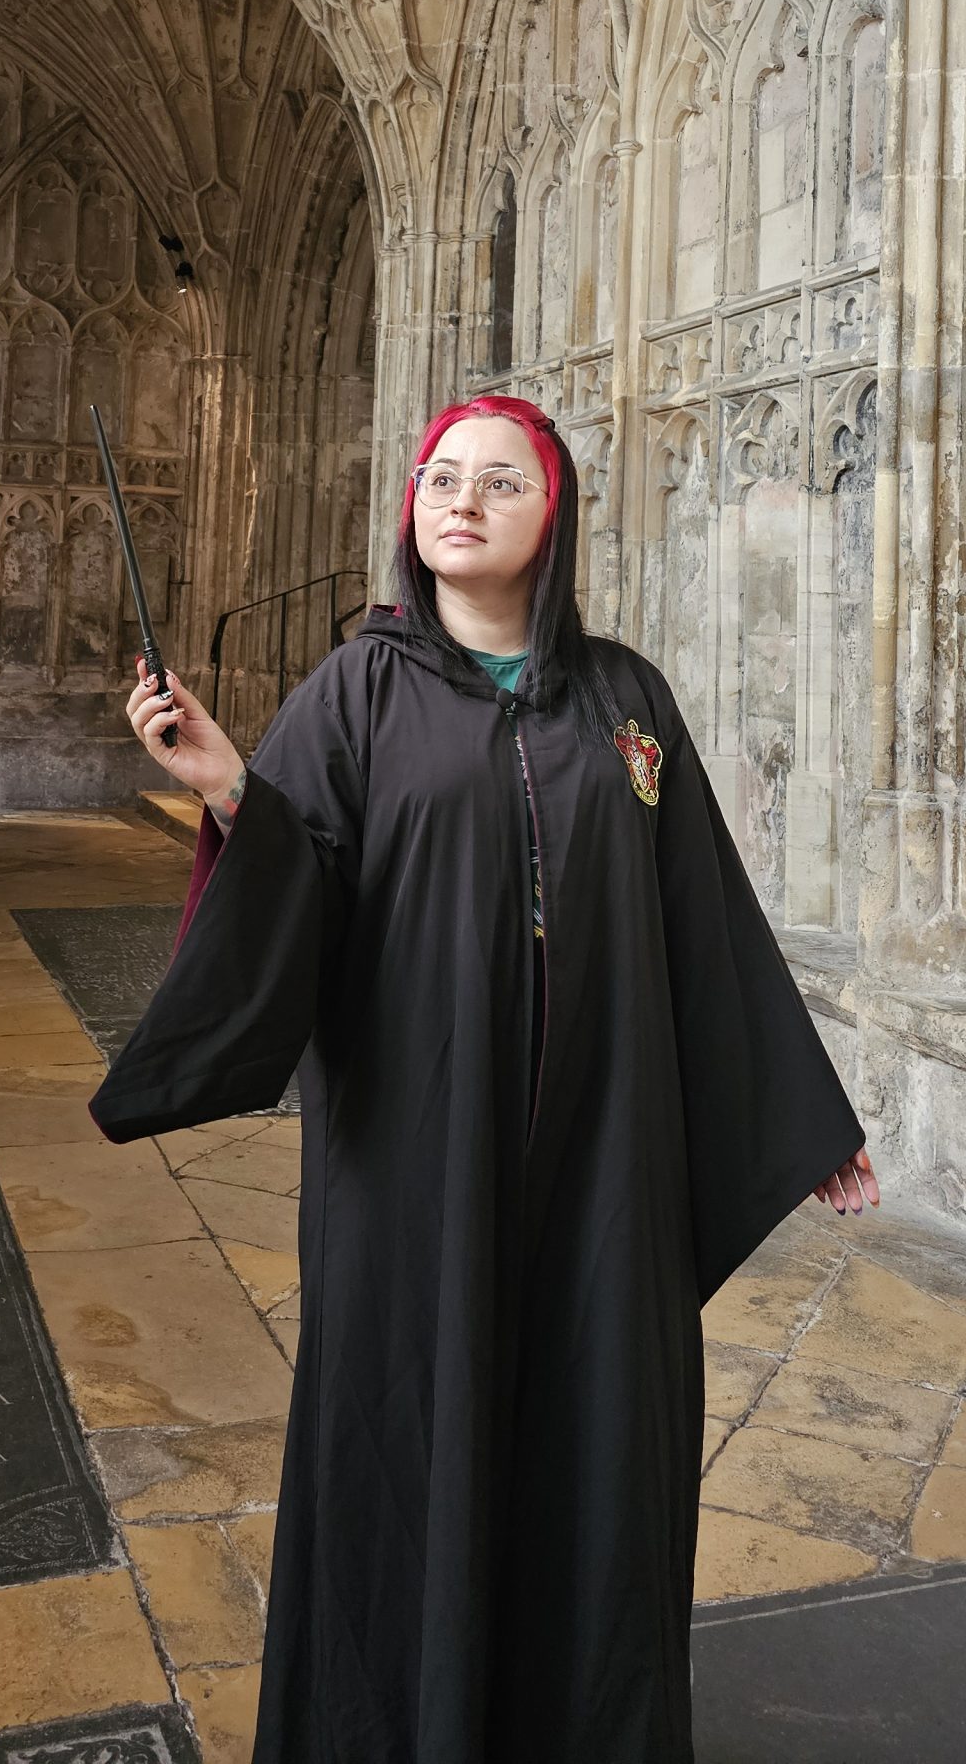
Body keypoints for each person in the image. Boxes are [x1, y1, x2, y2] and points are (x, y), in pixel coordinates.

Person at [91, 391, 877, 1764]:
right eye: (441, 476)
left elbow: (701, 913)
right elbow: (300, 892)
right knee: (413, 1437)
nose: (461, 499)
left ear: (554, 515)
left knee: (599, 1435)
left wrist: (798, 1116)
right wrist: (228, 788)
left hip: (603, 1148)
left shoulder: (626, 699)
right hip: (419, 1145)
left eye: (501, 481)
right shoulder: (358, 690)